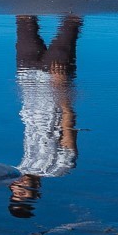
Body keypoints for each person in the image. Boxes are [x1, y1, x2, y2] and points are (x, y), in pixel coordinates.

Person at [8, 14, 82, 218]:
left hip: (27, 78)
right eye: (22, 192)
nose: (17, 185)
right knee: (71, 22)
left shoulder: (21, 167)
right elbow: (69, 126)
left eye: (14, 190)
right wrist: (61, 87)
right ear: (36, 194)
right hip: (54, 84)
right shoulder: (60, 168)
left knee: (24, 19)